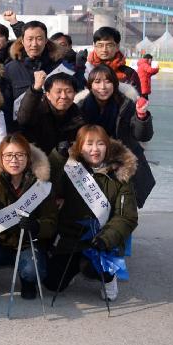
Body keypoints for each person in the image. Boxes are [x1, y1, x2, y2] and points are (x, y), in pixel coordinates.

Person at [45, 125, 138, 302]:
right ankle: (73, 269)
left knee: (90, 266)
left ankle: (109, 279)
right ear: (80, 147)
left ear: (107, 147)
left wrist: (106, 239)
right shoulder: (71, 169)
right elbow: (49, 187)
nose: (94, 149)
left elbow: (127, 217)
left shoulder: (120, 175)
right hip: (72, 237)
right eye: (89, 144)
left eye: (100, 144)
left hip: (102, 240)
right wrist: (57, 157)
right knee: (52, 283)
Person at [0, 134, 57, 299]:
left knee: (33, 270)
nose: (14, 160)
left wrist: (37, 226)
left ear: (28, 158)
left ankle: (28, 282)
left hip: (27, 242)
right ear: (1, 158)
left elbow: (51, 221)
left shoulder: (41, 184)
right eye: (8, 155)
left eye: (20, 155)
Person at [75, 64, 155, 207]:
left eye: (108, 81)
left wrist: (141, 117)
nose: (103, 87)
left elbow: (143, 136)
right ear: (89, 85)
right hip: (91, 160)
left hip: (123, 162)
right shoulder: (80, 107)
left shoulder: (127, 104)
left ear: (115, 84)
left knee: (123, 205)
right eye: (97, 82)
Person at [4, 19, 68, 123]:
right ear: (22, 41)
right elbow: (6, 106)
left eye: (39, 39)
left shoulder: (58, 67)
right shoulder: (10, 69)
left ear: (46, 41)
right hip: (21, 132)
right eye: (30, 39)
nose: (34, 44)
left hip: (53, 130)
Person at [15, 72, 85, 155]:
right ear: (48, 95)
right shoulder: (38, 110)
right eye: (58, 91)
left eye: (68, 91)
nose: (63, 96)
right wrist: (36, 88)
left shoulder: (78, 116)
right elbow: (23, 119)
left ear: (75, 94)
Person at [86, 27, 141, 94]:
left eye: (109, 45)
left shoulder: (129, 74)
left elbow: (137, 100)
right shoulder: (86, 70)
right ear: (94, 46)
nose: (104, 50)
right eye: (100, 45)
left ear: (117, 47)